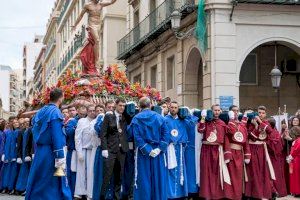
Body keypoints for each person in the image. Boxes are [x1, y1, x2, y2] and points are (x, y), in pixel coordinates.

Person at [25, 88, 71, 200]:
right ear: (61, 98)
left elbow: (35, 130)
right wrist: (60, 156)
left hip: (40, 151)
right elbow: (57, 136)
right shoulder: (55, 112)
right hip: (53, 152)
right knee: (55, 180)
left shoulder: (41, 111)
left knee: (39, 179)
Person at [129, 97, 169, 200]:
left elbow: (136, 136)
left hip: (143, 153)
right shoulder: (160, 117)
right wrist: (159, 149)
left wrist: (147, 149)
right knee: (158, 178)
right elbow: (166, 134)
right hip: (157, 152)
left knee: (144, 179)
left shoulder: (136, 118)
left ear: (139, 106)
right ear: (150, 105)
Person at [197, 104, 231, 199]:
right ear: (211, 111)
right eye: (214, 110)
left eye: (218, 110)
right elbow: (200, 130)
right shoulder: (206, 122)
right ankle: (206, 195)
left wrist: (227, 153)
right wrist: (203, 118)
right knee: (206, 172)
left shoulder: (222, 123)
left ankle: (216, 195)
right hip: (206, 150)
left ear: (220, 111)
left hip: (217, 150)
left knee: (217, 173)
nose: (216, 112)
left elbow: (225, 139)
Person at [100, 98, 128, 200]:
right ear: (115, 105)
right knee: (107, 176)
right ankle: (103, 197)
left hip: (122, 151)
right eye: (120, 105)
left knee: (119, 176)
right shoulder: (109, 116)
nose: (122, 108)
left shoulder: (125, 116)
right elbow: (103, 134)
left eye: (124, 106)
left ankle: (116, 197)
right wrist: (104, 149)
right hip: (111, 150)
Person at [245, 106, 274, 200]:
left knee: (263, 171)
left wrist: (260, 123)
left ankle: (264, 192)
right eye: (259, 112)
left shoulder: (266, 123)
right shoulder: (251, 123)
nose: (260, 114)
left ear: (265, 114)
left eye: (262, 113)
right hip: (253, 148)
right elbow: (252, 137)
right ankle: (253, 194)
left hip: (262, 149)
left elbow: (270, 131)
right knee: (253, 171)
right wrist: (256, 126)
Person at [223, 107, 251, 200]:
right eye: (233, 111)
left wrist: (247, 154)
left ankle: (238, 196)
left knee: (239, 176)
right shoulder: (228, 124)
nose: (235, 112)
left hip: (240, 153)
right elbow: (227, 137)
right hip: (231, 152)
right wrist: (227, 154)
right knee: (231, 175)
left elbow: (245, 140)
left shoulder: (242, 125)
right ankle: (230, 196)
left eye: (237, 111)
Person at [165, 102, 188, 199]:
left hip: (179, 148)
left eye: (176, 108)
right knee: (169, 170)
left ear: (178, 109)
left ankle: (179, 193)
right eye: (172, 107)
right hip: (169, 148)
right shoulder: (165, 119)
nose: (174, 109)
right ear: (169, 108)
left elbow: (191, 123)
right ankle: (169, 193)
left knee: (179, 170)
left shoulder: (182, 121)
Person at [93, 101, 115, 200]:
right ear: (105, 108)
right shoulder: (101, 117)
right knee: (101, 176)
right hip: (103, 150)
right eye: (108, 107)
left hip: (114, 151)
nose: (110, 108)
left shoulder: (117, 117)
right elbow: (98, 130)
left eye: (112, 107)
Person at [74, 105, 97, 199]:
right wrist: (79, 152)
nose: (92, 112)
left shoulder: (97, 121)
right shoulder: (82, 121)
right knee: (81, 172)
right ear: (87, 112)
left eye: (93, 111)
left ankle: (90, 193)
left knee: (91, 172)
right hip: (83, 149)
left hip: (93, 150)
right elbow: (78, 137)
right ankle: (79, 192)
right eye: (90, 111)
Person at [65, 106, 87, 198]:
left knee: (83, 172)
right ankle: (72, 192)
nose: (82, 116)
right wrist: (76, 128)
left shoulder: (87, 121)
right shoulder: (73, 121)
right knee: (73, 172)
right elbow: (68, 132)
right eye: (81, 114)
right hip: (73, 150)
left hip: (84, 150)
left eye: (84, 114)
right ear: (78, 112)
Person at [266, 118, 287, 198]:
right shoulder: (276, 132)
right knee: (276, 174)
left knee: (273, 174)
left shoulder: (273, 133)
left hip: (272, 157)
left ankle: (274, 191)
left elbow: (276, 145)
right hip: (275, 158)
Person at [1, 117, 20, 194]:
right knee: (5, 172)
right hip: (7, 154)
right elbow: (3, 144)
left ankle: (11, 188)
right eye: (12, 122)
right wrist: (3, 154)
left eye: (16, 122)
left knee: (13, 173)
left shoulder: (18, 132)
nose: (14, 123)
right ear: (10, 122)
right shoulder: (6, 132)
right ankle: (4, 187)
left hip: (14, 155)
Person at [15, 118, 33, 195]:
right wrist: (19, 156)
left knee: (29, 172)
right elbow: (19, 145)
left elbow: (31, 144)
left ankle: (26, 189)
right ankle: (20, 188)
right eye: (25, 122)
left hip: (29, 155)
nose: (26, 123)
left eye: (28, 122)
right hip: (23, 155)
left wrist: (29, 154)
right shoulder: (21, 131)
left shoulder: (31, 130)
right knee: (23, 172)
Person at [287, 126, 300, 197]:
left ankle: (297, 192)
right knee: (295, 176)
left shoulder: (298, 140)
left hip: (297, 160)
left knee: (297, 176)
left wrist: (290, 157)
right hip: (294, 160)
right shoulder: (296, 140)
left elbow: (296, 150)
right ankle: (296, 191)